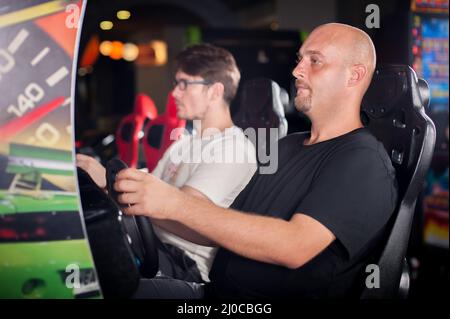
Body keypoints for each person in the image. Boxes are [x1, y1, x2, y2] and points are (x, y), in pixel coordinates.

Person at [114, 23, 398, 299]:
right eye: (300, 60)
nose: (297, 70)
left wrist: (175, 203)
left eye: (315, 61)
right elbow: (223, 228)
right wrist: (148, 203)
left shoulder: (363, 160)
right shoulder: (287, 146)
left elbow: (294, 245)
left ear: (354, 76)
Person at [77, 44, 257, 283]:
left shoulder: (232, 148)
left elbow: (189, 219)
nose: (175, 93)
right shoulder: (182, 144)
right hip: (149, 243)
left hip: (184, 265)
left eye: (185, 84)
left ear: (215, 92)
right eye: (176, 84)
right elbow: (149, 202)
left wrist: (112, 185)